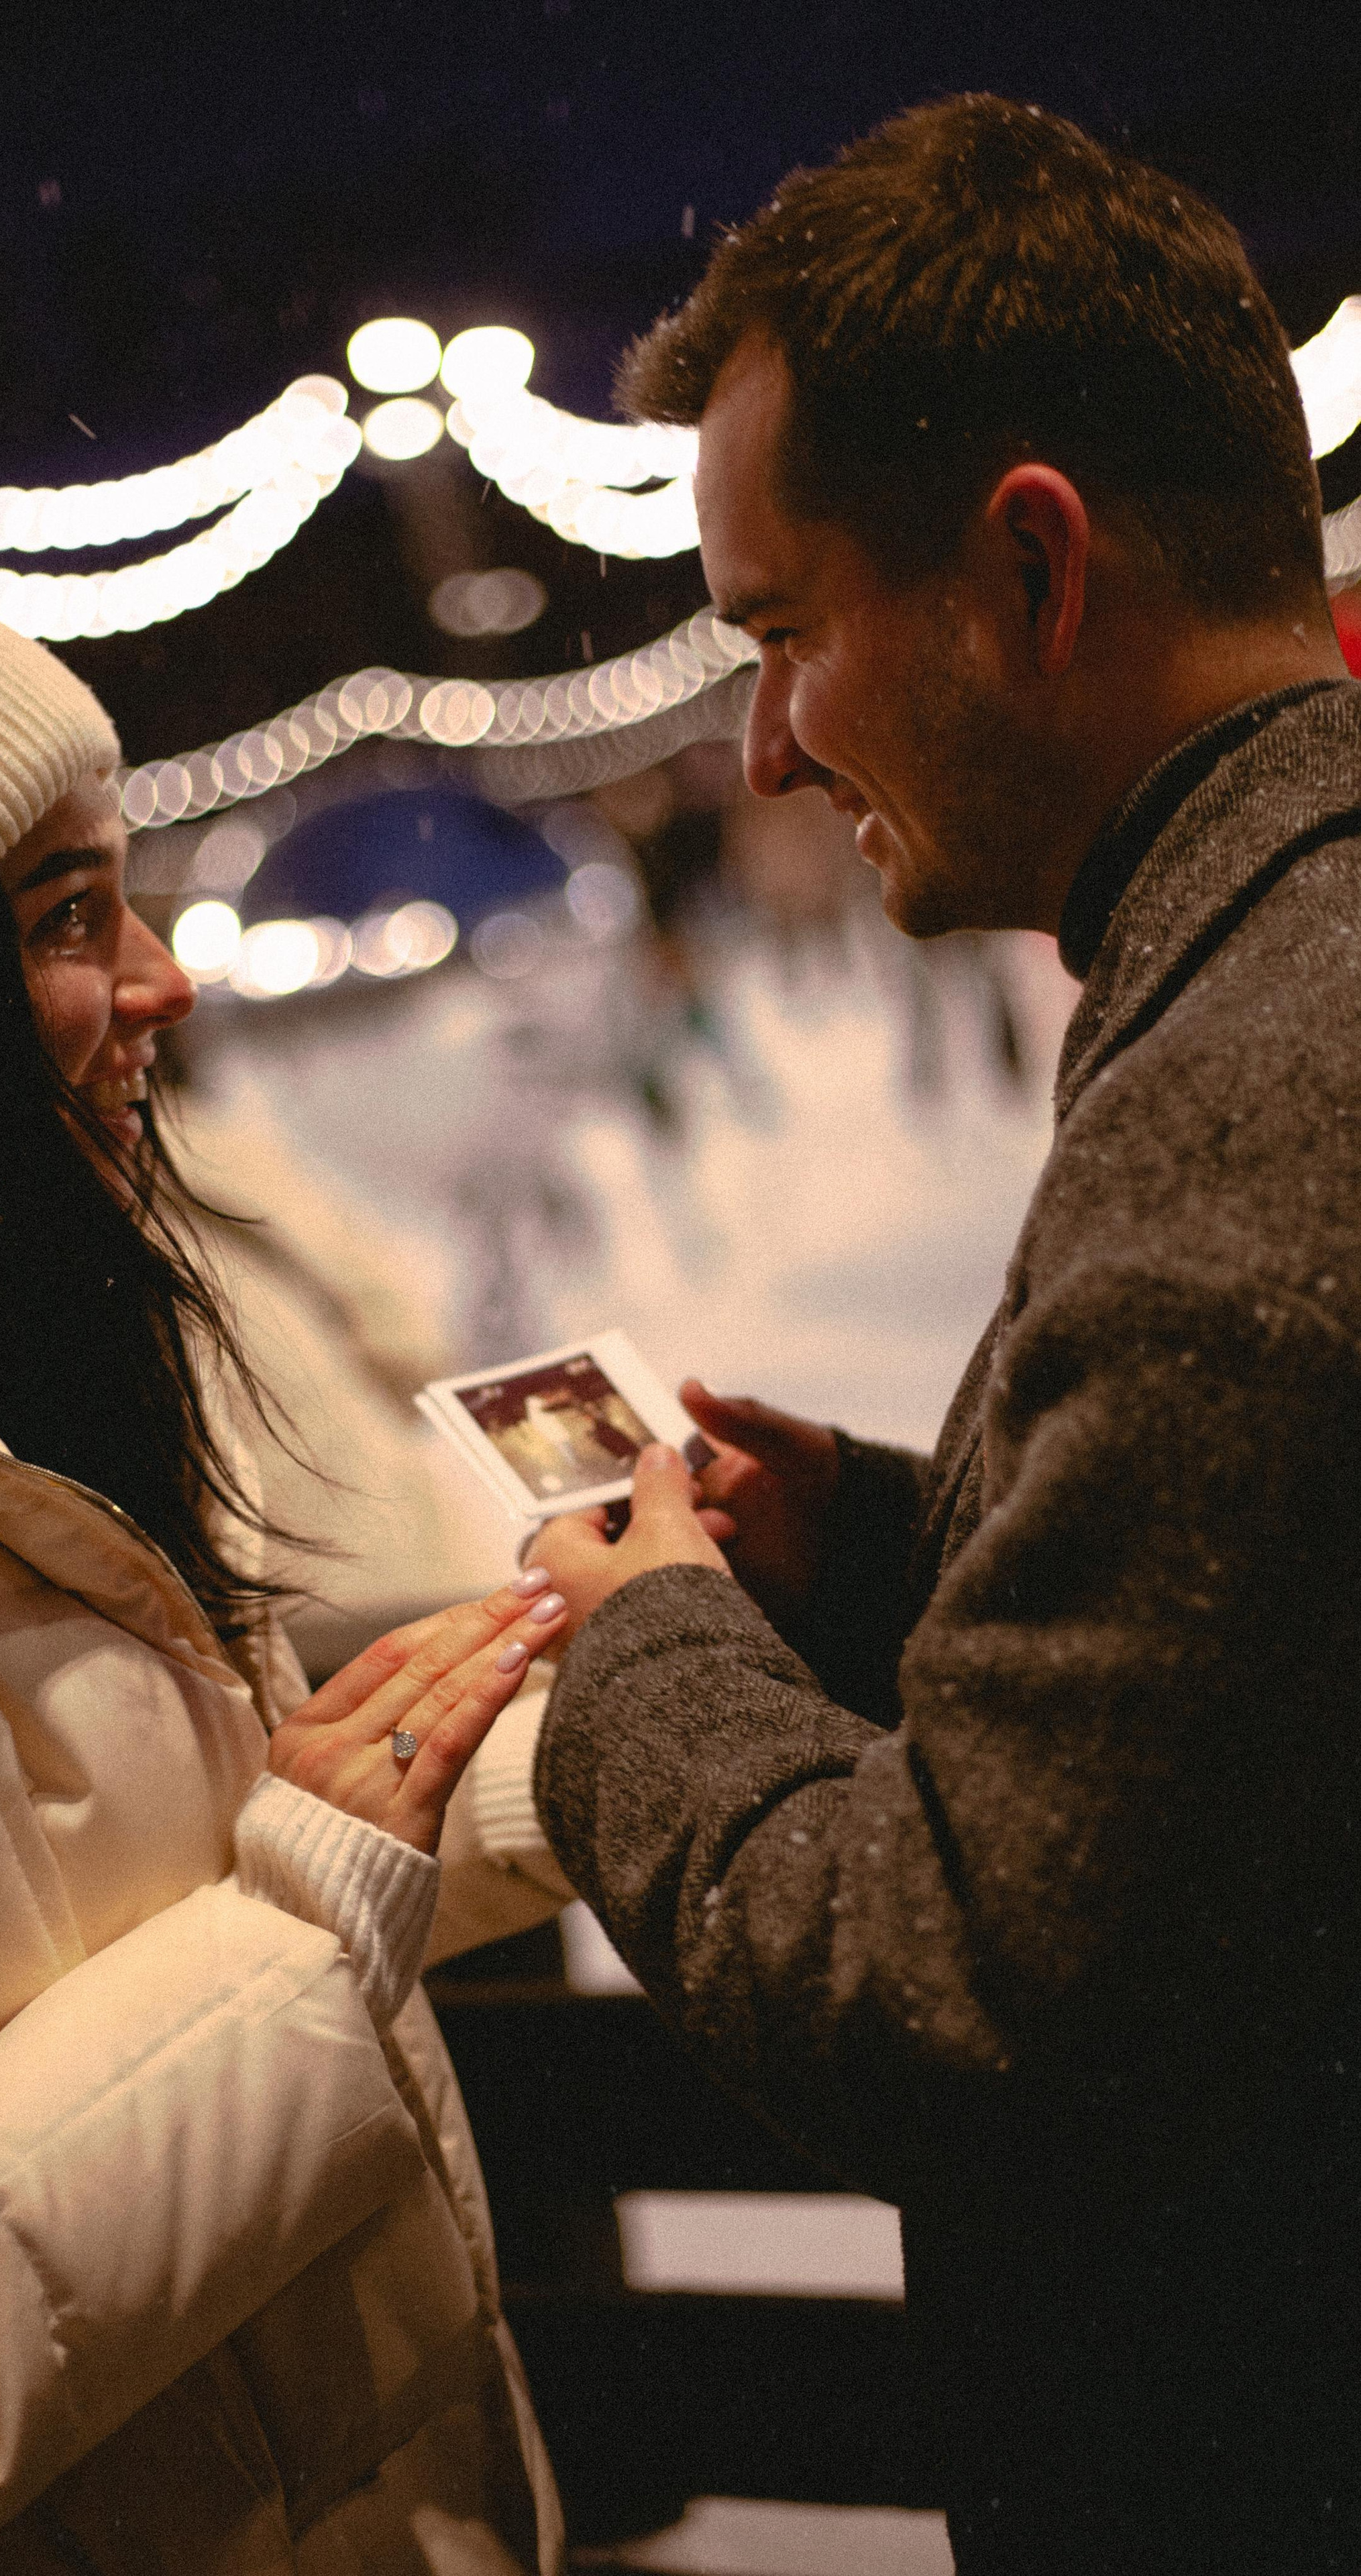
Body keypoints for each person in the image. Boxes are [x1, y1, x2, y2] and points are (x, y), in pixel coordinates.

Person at [526, 95, 1361, 2574]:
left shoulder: (1245, 1124)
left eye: (785, 632)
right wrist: (897, 1555)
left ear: (1028, 562)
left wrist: (653, 1649)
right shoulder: (1274, 972)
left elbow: (968, 2011)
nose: (771, 744)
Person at [0, 545, 577, 2573]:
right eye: (70, 918)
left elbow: (117, 1915)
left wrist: (597, 1740)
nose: (161, 981)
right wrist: (316, 1920)